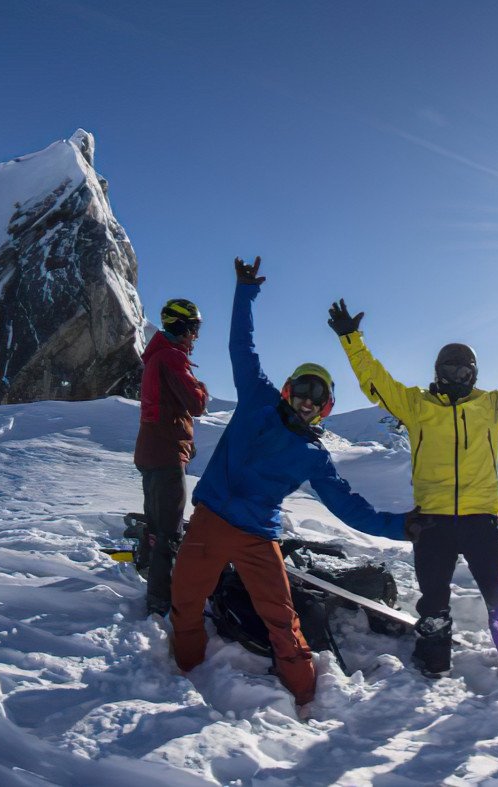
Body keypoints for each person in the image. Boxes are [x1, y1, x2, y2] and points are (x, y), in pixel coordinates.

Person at [169, 258, 408, 706]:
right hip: (210, 521)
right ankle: (180, 681)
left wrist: (403, 527)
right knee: (185, 601)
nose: (307, 401)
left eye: (317, 397)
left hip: (259, 537)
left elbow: (352, 508)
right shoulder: (258, 397)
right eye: (302, 389)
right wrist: (245, 291)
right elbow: (243, 344)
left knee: (282, 619)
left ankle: (310, 700)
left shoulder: (315, 456)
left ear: (326, 408)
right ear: (288, 389)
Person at [327, 298, 498, 675]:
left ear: (474, 373)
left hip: (479, 521)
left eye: (464, 368)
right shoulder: (415, 405)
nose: (457, 373)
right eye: (450, 367)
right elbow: (375, 380)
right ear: (438, 371)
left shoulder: (492, 406)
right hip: (432, 520)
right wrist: (351, 338)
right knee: (433, 600)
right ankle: (433, 663)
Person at [134, 297, 207, 617]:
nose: (195, 337)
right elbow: (196, 403)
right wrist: (201, 386)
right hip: (166, 453)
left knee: (155, 523)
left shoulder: (155, 357)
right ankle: (160, 602)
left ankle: (151, 575)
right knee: (169, 531)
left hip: (150, 450)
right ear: (181, 327)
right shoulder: (171, 358)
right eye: (194, 329)